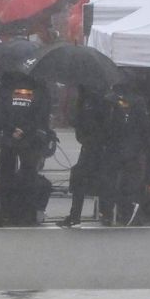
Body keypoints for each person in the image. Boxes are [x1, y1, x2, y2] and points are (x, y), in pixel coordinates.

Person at [0, 65, 52, 225]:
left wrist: (11, 129)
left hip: (9, 135)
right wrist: (25, 129)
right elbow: (43, 113)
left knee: (6, 174)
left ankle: (6, 212)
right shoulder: (39, 86)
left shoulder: (5, 86)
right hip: (31, 137)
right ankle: (27, 213)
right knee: (29, 174)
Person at [100, 82, 149, 226]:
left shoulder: (107, 100)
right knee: (130, 181)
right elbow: (144, 125)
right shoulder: (138, 101)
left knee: (109, 180)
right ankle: (127, 211)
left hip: (112, 145)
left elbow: (102, 123)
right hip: (132, 145)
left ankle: (107, 212)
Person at [58, 84, 107, 228]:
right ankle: (106, 212)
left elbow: (83, 123)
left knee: (80, 178)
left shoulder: (90, 102)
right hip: (97, 145)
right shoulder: (98, 100)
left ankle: (75, 215)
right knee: (101, 178)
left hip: (93, 145)